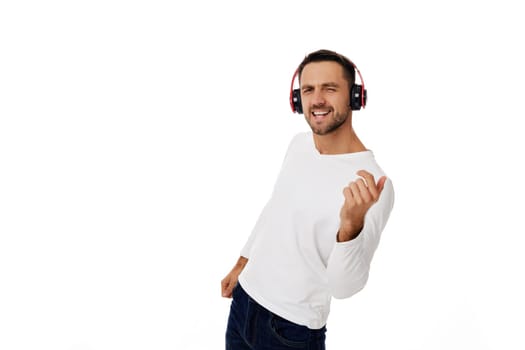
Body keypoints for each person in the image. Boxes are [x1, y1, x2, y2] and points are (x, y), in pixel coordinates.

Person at [221, 49, 395, 349]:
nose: (317, 100)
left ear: (355, 97)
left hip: (290, 330)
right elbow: (276, 207)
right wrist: (243, 261)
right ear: (296, 98)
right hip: (244, 302)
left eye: (330, 88)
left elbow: (344, 288)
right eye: (308, 89)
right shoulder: (300, 144)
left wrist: (350, 227)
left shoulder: (373, 184)